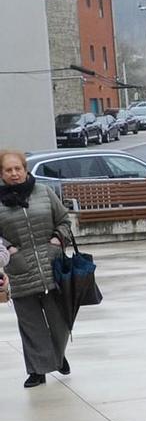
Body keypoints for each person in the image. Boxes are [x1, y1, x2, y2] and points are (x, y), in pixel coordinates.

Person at [1, 148, 80, 387]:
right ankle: (38, 370)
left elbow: (64, 219)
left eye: (18, 168)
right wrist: (9, 249)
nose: (14, 174)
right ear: (1, 174)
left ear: (25, 170)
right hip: (20, 268)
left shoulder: (44, 193)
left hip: (52, 265)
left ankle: (56, 356)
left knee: (60, 321)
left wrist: (58, 239)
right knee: (31, 324)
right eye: (8, 170)